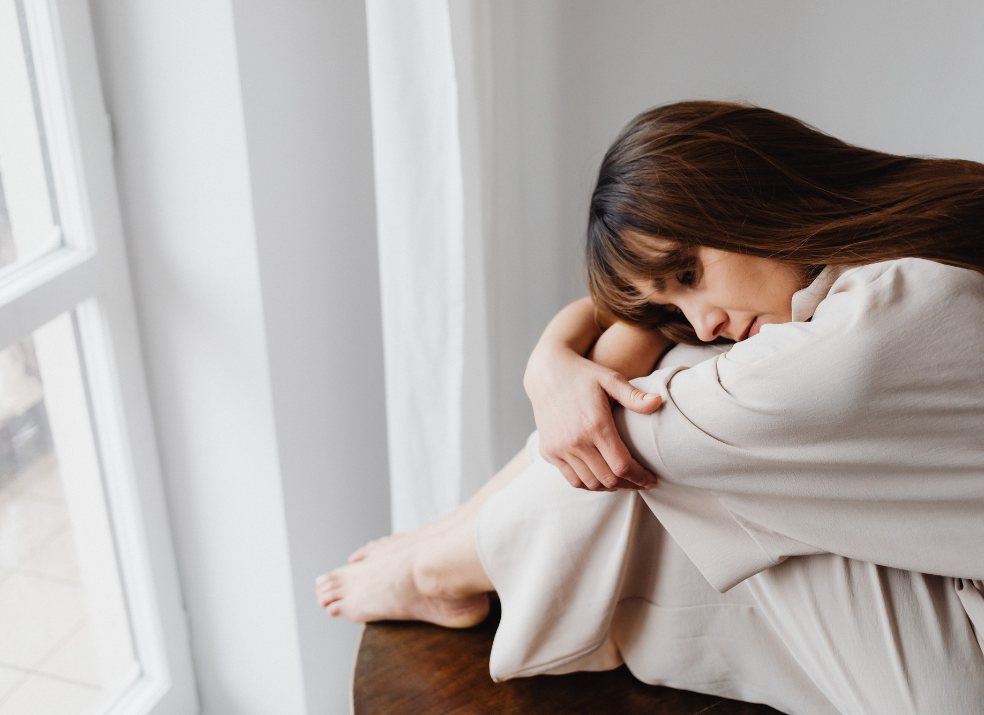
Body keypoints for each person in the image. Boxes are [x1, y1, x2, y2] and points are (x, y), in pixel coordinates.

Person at [316, 102, 984, 715]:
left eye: (689, 274)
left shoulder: (870, 332)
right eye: (674, 301)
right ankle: (443, 550)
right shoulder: (921, 247)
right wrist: (553, 359)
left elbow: (616, 430)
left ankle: (436, 573)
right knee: (674, 380)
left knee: (641, 433)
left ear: (753, 193)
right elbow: (638, 334)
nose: (706, 319)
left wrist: (434, 551)